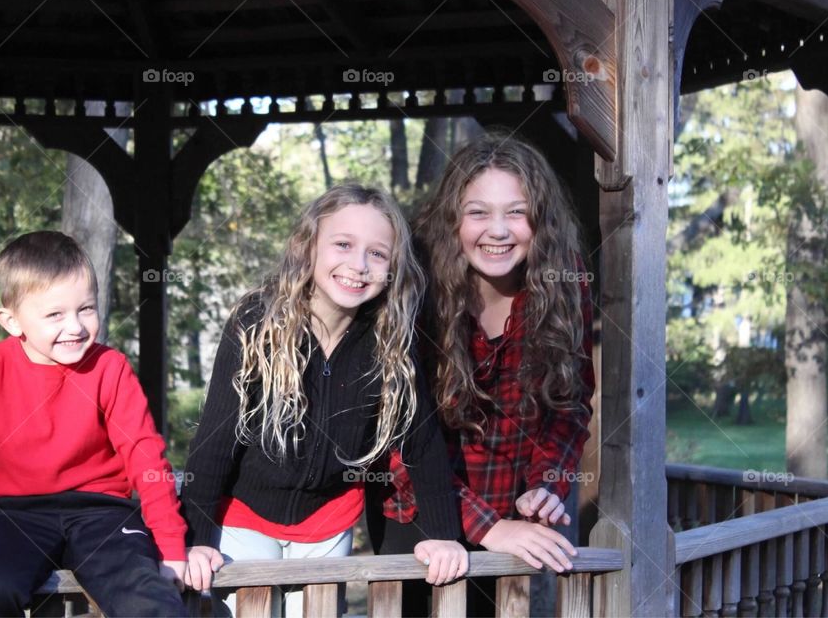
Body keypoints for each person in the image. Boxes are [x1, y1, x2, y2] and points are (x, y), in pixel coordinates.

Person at [181, 184, 468, 617]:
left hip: (328, 521)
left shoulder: (390, 339)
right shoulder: (257, 323)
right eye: (343, 244)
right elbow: (216, 440)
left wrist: (444, 534)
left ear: (393, 267)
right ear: (308, 245)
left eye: (377, 253)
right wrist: (196, 539)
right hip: (244, 517)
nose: (358, 265)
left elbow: (422, 442)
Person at [369, 133, 595, 616]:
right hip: (415, 512)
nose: (497, 230)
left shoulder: (563, 282)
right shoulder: (416, 287)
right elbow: (392, 433)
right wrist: (488, 526)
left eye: (516, 212)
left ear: (541, 220)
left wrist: (546, 485)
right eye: (478, 212)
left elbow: (570, 404)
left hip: (510, 518)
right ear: (453, 218)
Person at [0, 231, 188, 617]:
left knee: (148, 599)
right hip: (11, 513)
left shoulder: (109, 367)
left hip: (101, 512)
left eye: (86, 308)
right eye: (55, 315)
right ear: (12, 321)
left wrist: (171, 546)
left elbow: (146, 457)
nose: (75, 326)